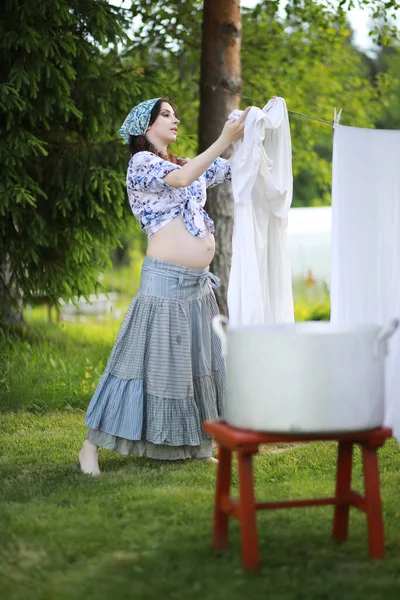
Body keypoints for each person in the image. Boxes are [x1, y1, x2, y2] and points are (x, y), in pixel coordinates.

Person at [78, 97, 250, 475]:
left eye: (174, 114)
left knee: (198, 365)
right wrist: (224, 138)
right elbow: (183, 180)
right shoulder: (142, 164)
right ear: (145, 126)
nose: (175, 119)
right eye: (166, 115)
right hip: (164, 282)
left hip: (197, 286)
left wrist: (256, 125)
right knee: (135, 363)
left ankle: (199, 445)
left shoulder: (185, 162)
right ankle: (89, 447)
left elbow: (236, 168)